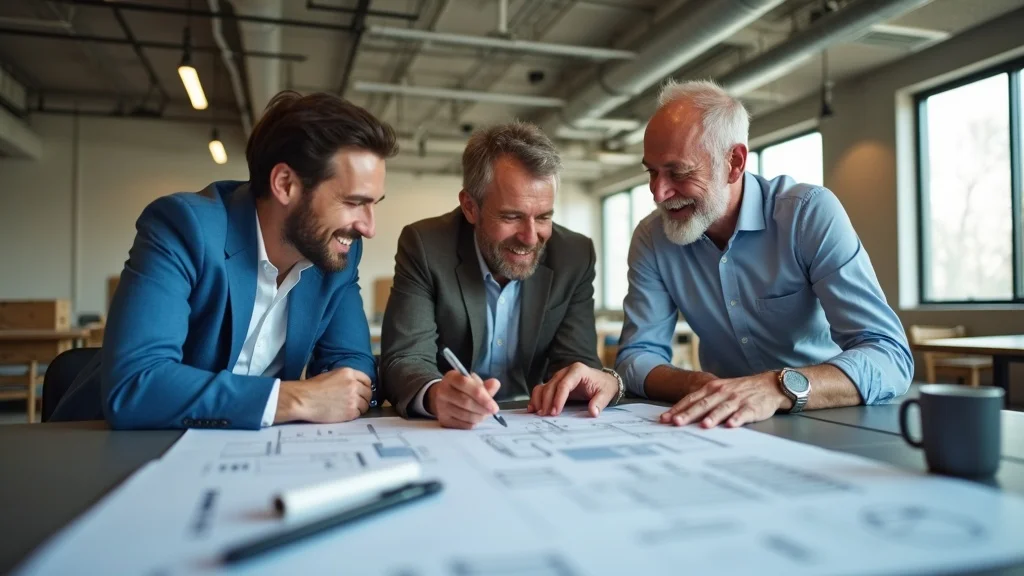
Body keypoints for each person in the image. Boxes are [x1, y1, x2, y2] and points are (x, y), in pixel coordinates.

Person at [51, 91, 398, 429]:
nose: (368, 228)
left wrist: (349, 388)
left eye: (374, 204)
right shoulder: (184, 227)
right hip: (103, 448)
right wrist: (293, 399)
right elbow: (136, 383)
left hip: (237, 453)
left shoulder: (337, 253)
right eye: (353, 202)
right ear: (285, 184)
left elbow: (353, 367)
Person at [613, 79, 913, 428]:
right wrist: (698, 384)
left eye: (678, 172)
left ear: (734, 163)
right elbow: (636, 357)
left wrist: (775, 387)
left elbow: (890, 356)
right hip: (725, 422)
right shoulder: (653, 238)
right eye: (651, 172)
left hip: (828, 413)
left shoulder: (807, 215)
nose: (659, 193)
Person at [380, 121, 623, 429]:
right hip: (447, 430)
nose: (531, 237)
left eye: (544, 217)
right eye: (512, 217)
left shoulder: (574, 255)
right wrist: (435, 394)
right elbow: (405, 358)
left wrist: (579, 381)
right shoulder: (426, 245)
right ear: (470, 207)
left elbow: (575, 360)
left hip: (535, 424)